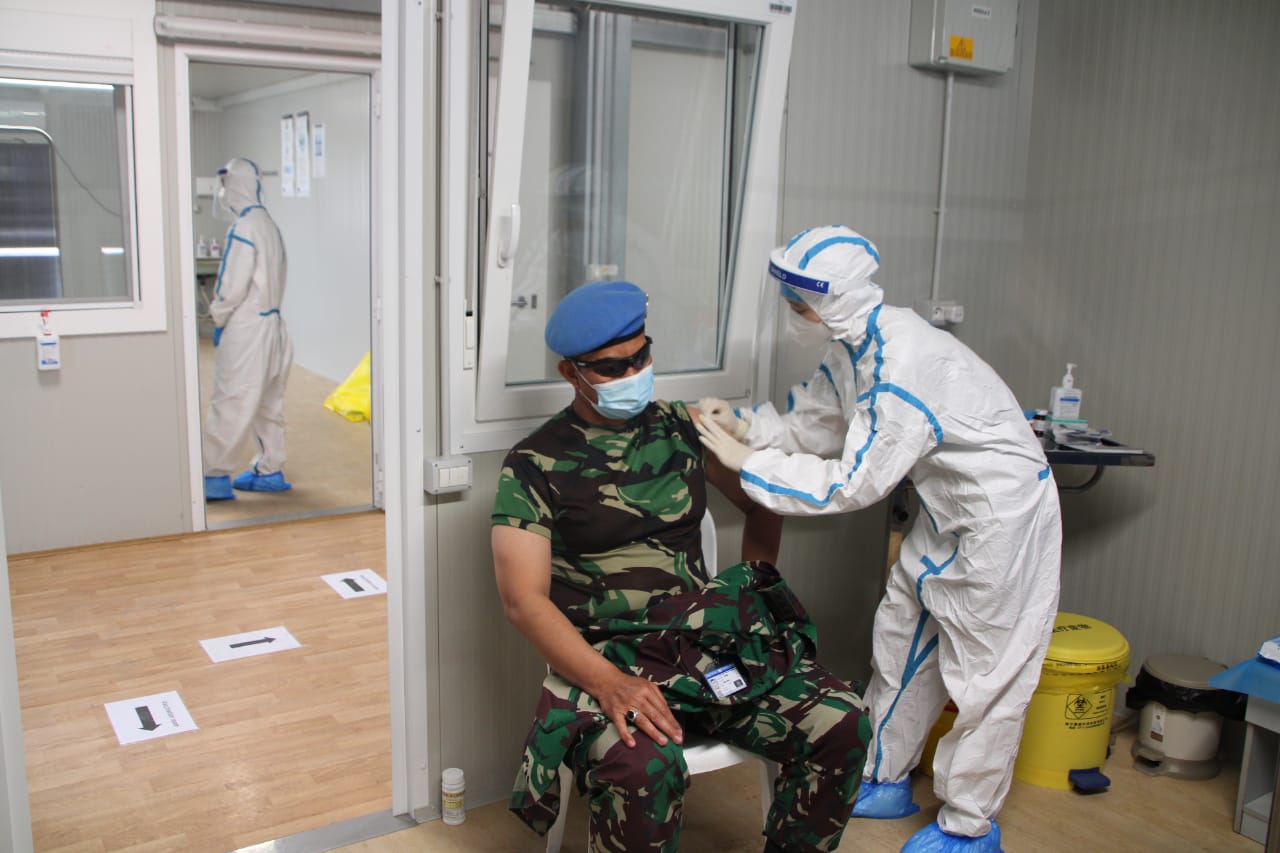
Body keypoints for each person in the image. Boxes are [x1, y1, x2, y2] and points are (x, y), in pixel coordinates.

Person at [696, 225, 1062, 853]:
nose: (793, 315)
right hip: (946, 510)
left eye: (800, 305)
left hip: (1003, 519)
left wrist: (748, 465)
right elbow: (819, 423)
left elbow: (851, 484)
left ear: (836, 300)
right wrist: (747, 427)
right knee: (902, 638)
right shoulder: (853, 347)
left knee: (987, 675)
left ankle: (969, 824)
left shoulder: (903, 365)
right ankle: (883, 775)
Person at [492, 279, 871, 853]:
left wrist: (749, 598)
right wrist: (609, 683)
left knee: (842, 720)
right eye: (613, 368)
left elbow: (762, 500)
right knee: (641, 766)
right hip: (607, 655)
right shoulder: (533, 464)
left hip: (701, 642)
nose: (633, 374)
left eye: (641, 356)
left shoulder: (681, 427)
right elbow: (524, 601)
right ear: (572, 374)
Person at [202, 157, 294, 501]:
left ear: (233, 186)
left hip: (247, 328)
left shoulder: (243, 227)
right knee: (268, 403)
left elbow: (231, 286)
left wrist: (219, 317)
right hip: (274, 326)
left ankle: (213, 475)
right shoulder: (268, 224)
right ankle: (270, 469)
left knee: (232, 399)